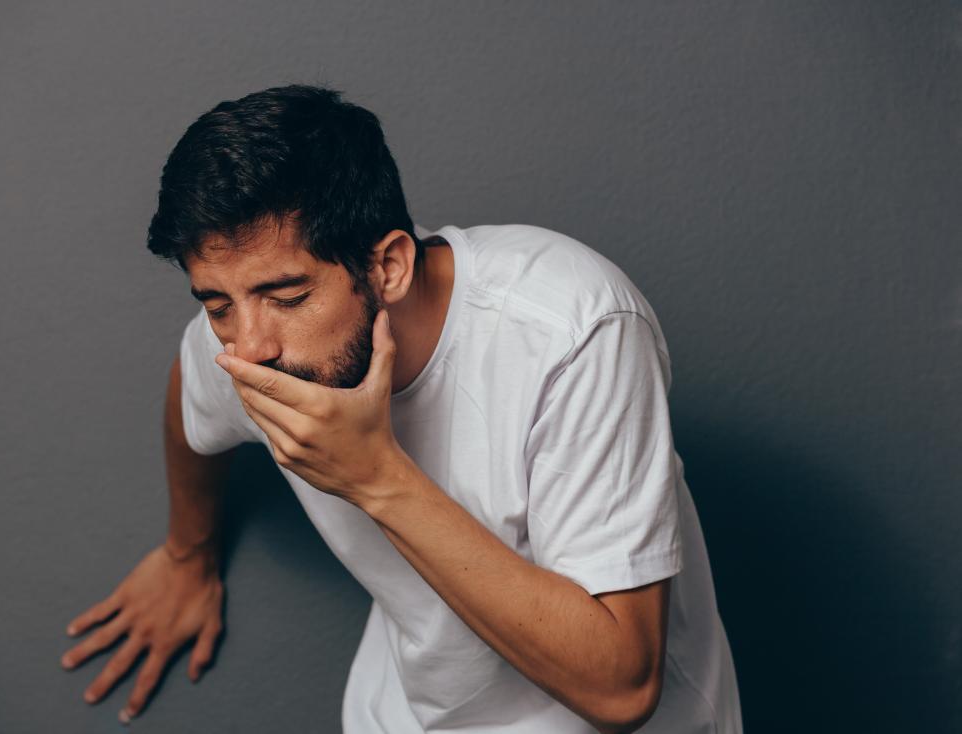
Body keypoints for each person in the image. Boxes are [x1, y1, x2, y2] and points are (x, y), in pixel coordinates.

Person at [60, 84, 743, 733]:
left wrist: (374, 476)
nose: (250, 348)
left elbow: (621, 689)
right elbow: (192, 386)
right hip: (404, 714)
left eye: (289, 298)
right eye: (216, 305)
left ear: (387, 266)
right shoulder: (251, 342)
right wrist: (188, 554)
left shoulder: (572, 331)